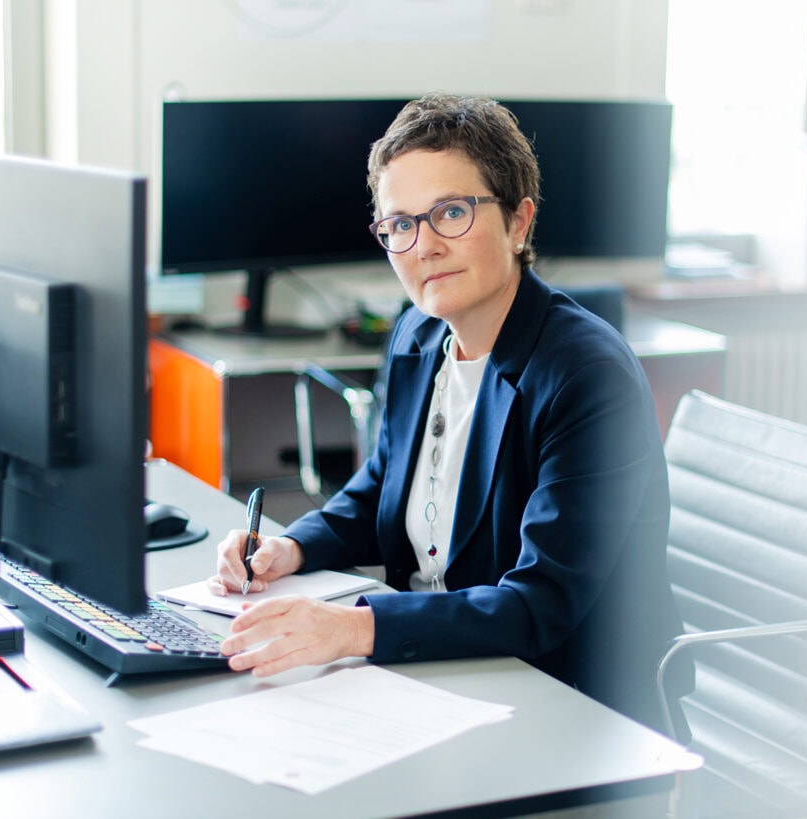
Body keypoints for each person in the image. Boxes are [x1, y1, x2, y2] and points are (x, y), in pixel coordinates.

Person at [211, 93, 693, 736]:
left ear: (519, 222)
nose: (426, 246)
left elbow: (540, 605)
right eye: (400, 224)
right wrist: (289, 548)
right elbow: (382, 484)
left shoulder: (585, 375)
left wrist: (355, 628)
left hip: (572, 708)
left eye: (453, 213)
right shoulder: (417, 334)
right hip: (440, 676)